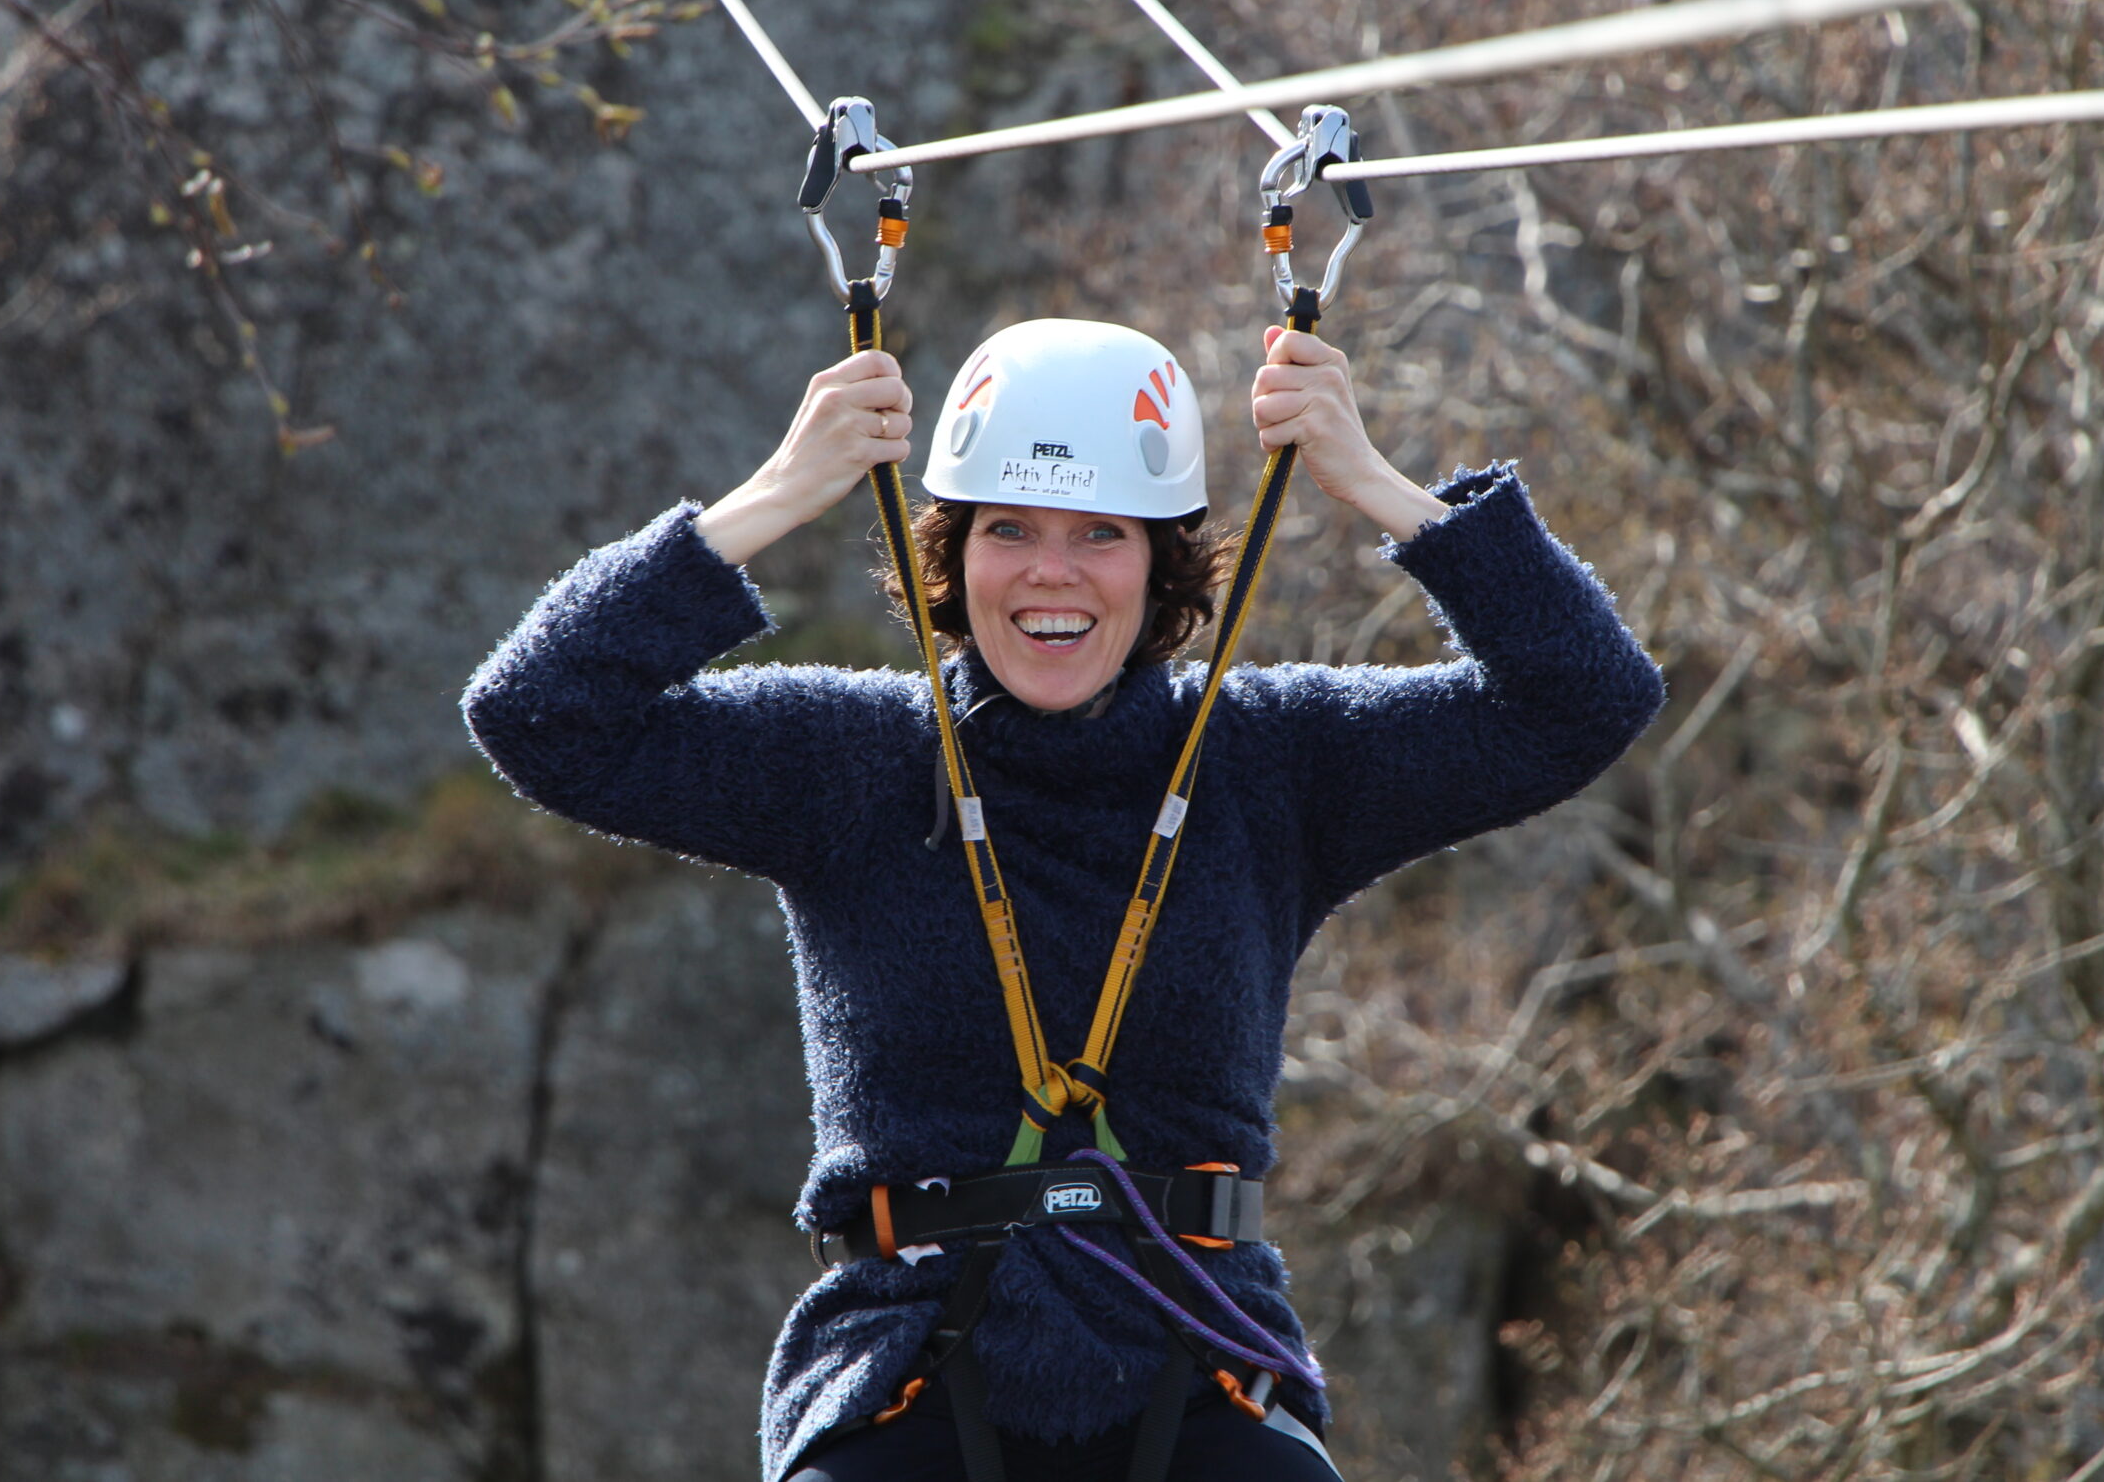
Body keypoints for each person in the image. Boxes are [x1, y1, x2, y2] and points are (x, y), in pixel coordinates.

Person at [463, 318, 1664, 1481]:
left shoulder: (1267, 761)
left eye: (1102, 533)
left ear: (1162, 565)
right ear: (953, 554)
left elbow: (1586, 701)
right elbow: (535, 716)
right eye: (1009, 530)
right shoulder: (855, 758)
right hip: (908, 1363)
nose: (1052, 572)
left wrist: (1383, 488)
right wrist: (773, 495)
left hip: (1197, 1359)